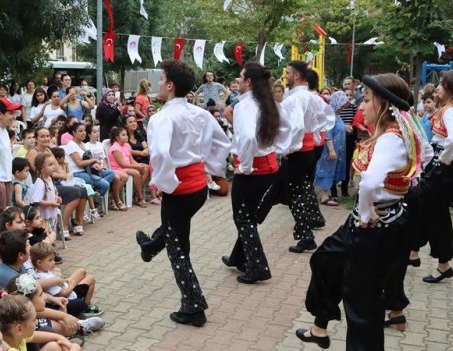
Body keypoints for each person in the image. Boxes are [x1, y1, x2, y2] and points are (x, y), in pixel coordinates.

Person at [295, 73, 421, 350]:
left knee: (362, 299)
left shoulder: (391, 138)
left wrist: (365, 214)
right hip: (376, 221)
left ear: (385, 106)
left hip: (373, 225)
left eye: (366, 101)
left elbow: (371, 183)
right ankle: (320, 325)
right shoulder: (394, 135)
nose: (361, 107)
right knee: (325, 260)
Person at [135, 59, 231, 327]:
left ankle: (193, 307)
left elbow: (162, 154)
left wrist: (165, 183)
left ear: (170, 85)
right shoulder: (199, 113)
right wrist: (210, 170)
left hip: (180, 188)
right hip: (198, 188)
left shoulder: (162, 117)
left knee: (178, 249)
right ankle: (150, 246)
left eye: (161, 77)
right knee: (176, 234)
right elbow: (221, 143)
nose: (158, 83)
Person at [256, 61, 334, 254]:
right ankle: (258, 221)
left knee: (295, 193)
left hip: (298, 152)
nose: (286, 76)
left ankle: (305, 235)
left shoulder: (294, 100)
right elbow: (326, 119)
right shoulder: (311, 97)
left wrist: (287, 147)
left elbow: (298, 126)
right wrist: (314, 136)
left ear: (297, 76)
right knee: (293, 190)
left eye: (288, 73)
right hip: (307, 151)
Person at [221, 62, 286, 284]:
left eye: (240, 77)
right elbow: (286, 130)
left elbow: (248, 138)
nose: (237, 81)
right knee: (247, 216)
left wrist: (246, 166)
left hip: (253, 169)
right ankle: (238, 257)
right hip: (268, 166)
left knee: (243, 217)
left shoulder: (246, 106)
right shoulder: (268, 103)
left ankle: (257, 267)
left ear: (248, 81)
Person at [411, 69, 453, 283]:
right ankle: (414, 251)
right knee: (425, 207)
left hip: (444, 167)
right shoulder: (449, 108)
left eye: (441, 84)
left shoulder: (450, 111)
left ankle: (443, 264)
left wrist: (442, 160)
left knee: (437, 215)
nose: (437, 87)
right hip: (442, 165)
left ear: (450, 88)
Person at [26, 128, 87, 235]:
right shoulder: (33, 152)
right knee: (75, 192)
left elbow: (57, 167)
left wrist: (64, 175)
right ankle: (63, 225)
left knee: (83, 190)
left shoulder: (48, 150)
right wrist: (62, 175)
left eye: (47, 136)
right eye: (42, 136)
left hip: (53, 183)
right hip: (42, 187)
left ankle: (78, 222)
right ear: (36, 139)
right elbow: (45, 172)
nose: (46, 139)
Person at [0, 292, 81, 351]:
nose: (37, 322)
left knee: (55, 346)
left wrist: (68, 344)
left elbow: (57, 336)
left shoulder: (16, 336)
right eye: (34, 319)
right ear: (19, 328)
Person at [30, 243, 100, 317]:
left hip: (66, 287)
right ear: (39, 263)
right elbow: (62, 294)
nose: (53, 262)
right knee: (91, 279)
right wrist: (73, 285)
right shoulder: (45, 278)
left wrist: (65, 280)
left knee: (81, 271)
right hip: (70, 296)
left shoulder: (42, 271)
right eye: (50, 260)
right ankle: (86, 307)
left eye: (53, 259)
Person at [64, 123, 116, 199]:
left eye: (84, 130)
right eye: (80, 131)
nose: (83, 133)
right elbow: (79, 163)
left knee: (111, 173)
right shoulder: (71, 145)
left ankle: (95, 192)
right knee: (105, 185)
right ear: (74, 133)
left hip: (88, 170)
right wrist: (94, 160)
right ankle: (96, 201)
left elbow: (88, 159)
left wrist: (95, 164)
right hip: (77, 173)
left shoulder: (82, 144)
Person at [315, 91, 348, 206]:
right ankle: (324, 196)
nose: (342, 108)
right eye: (341, 106)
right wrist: (331, 150)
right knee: (327, 170)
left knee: (332, 170)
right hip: (330, 149)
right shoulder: (329, 116)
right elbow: (327, 133)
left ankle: (327, 194)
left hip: (337, 149)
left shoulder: (336, 116)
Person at [108, 126, 150, 208]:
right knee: (136, 173)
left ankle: (135, 193)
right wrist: (136, 167)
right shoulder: (115, 148)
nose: (126, 136)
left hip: (128, 166)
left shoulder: (127, 145)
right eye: (123, 135)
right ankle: (140, 197)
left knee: (146, 169)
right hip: (118, 168)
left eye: (126, 134)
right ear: (117, 138)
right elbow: (122, 164)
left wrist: (138, 165)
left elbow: (131, 160)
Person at [30, 153, 67, 239]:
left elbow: (53, 192)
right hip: (44, 216)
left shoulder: (49, 179)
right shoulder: (40, 182)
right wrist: (51, 203)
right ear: (41, 168)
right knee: (46, 234)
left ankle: (51, 249)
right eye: (50, 165)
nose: (54, 166)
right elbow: (37, 200)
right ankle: (47, 249)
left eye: (54, 163)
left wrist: (58, 198)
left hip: (51, 213)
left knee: (52, 232)